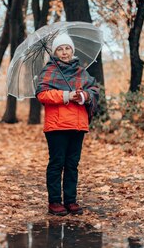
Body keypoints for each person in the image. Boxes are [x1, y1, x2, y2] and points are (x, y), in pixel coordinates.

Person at [35, 33, 99, 216]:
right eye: (60, 49)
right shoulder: (48, 71)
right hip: (57, 125)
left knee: (72, 164)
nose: (64, 52)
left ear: (72, 50)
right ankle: (54, 202)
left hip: (78, 124)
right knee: (57, 163)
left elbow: (94, 90)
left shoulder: (81, 71)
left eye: (67, 48)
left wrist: (84, 96)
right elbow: (42, 95)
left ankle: (70, 200)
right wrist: (66, 95)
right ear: (55, 52)